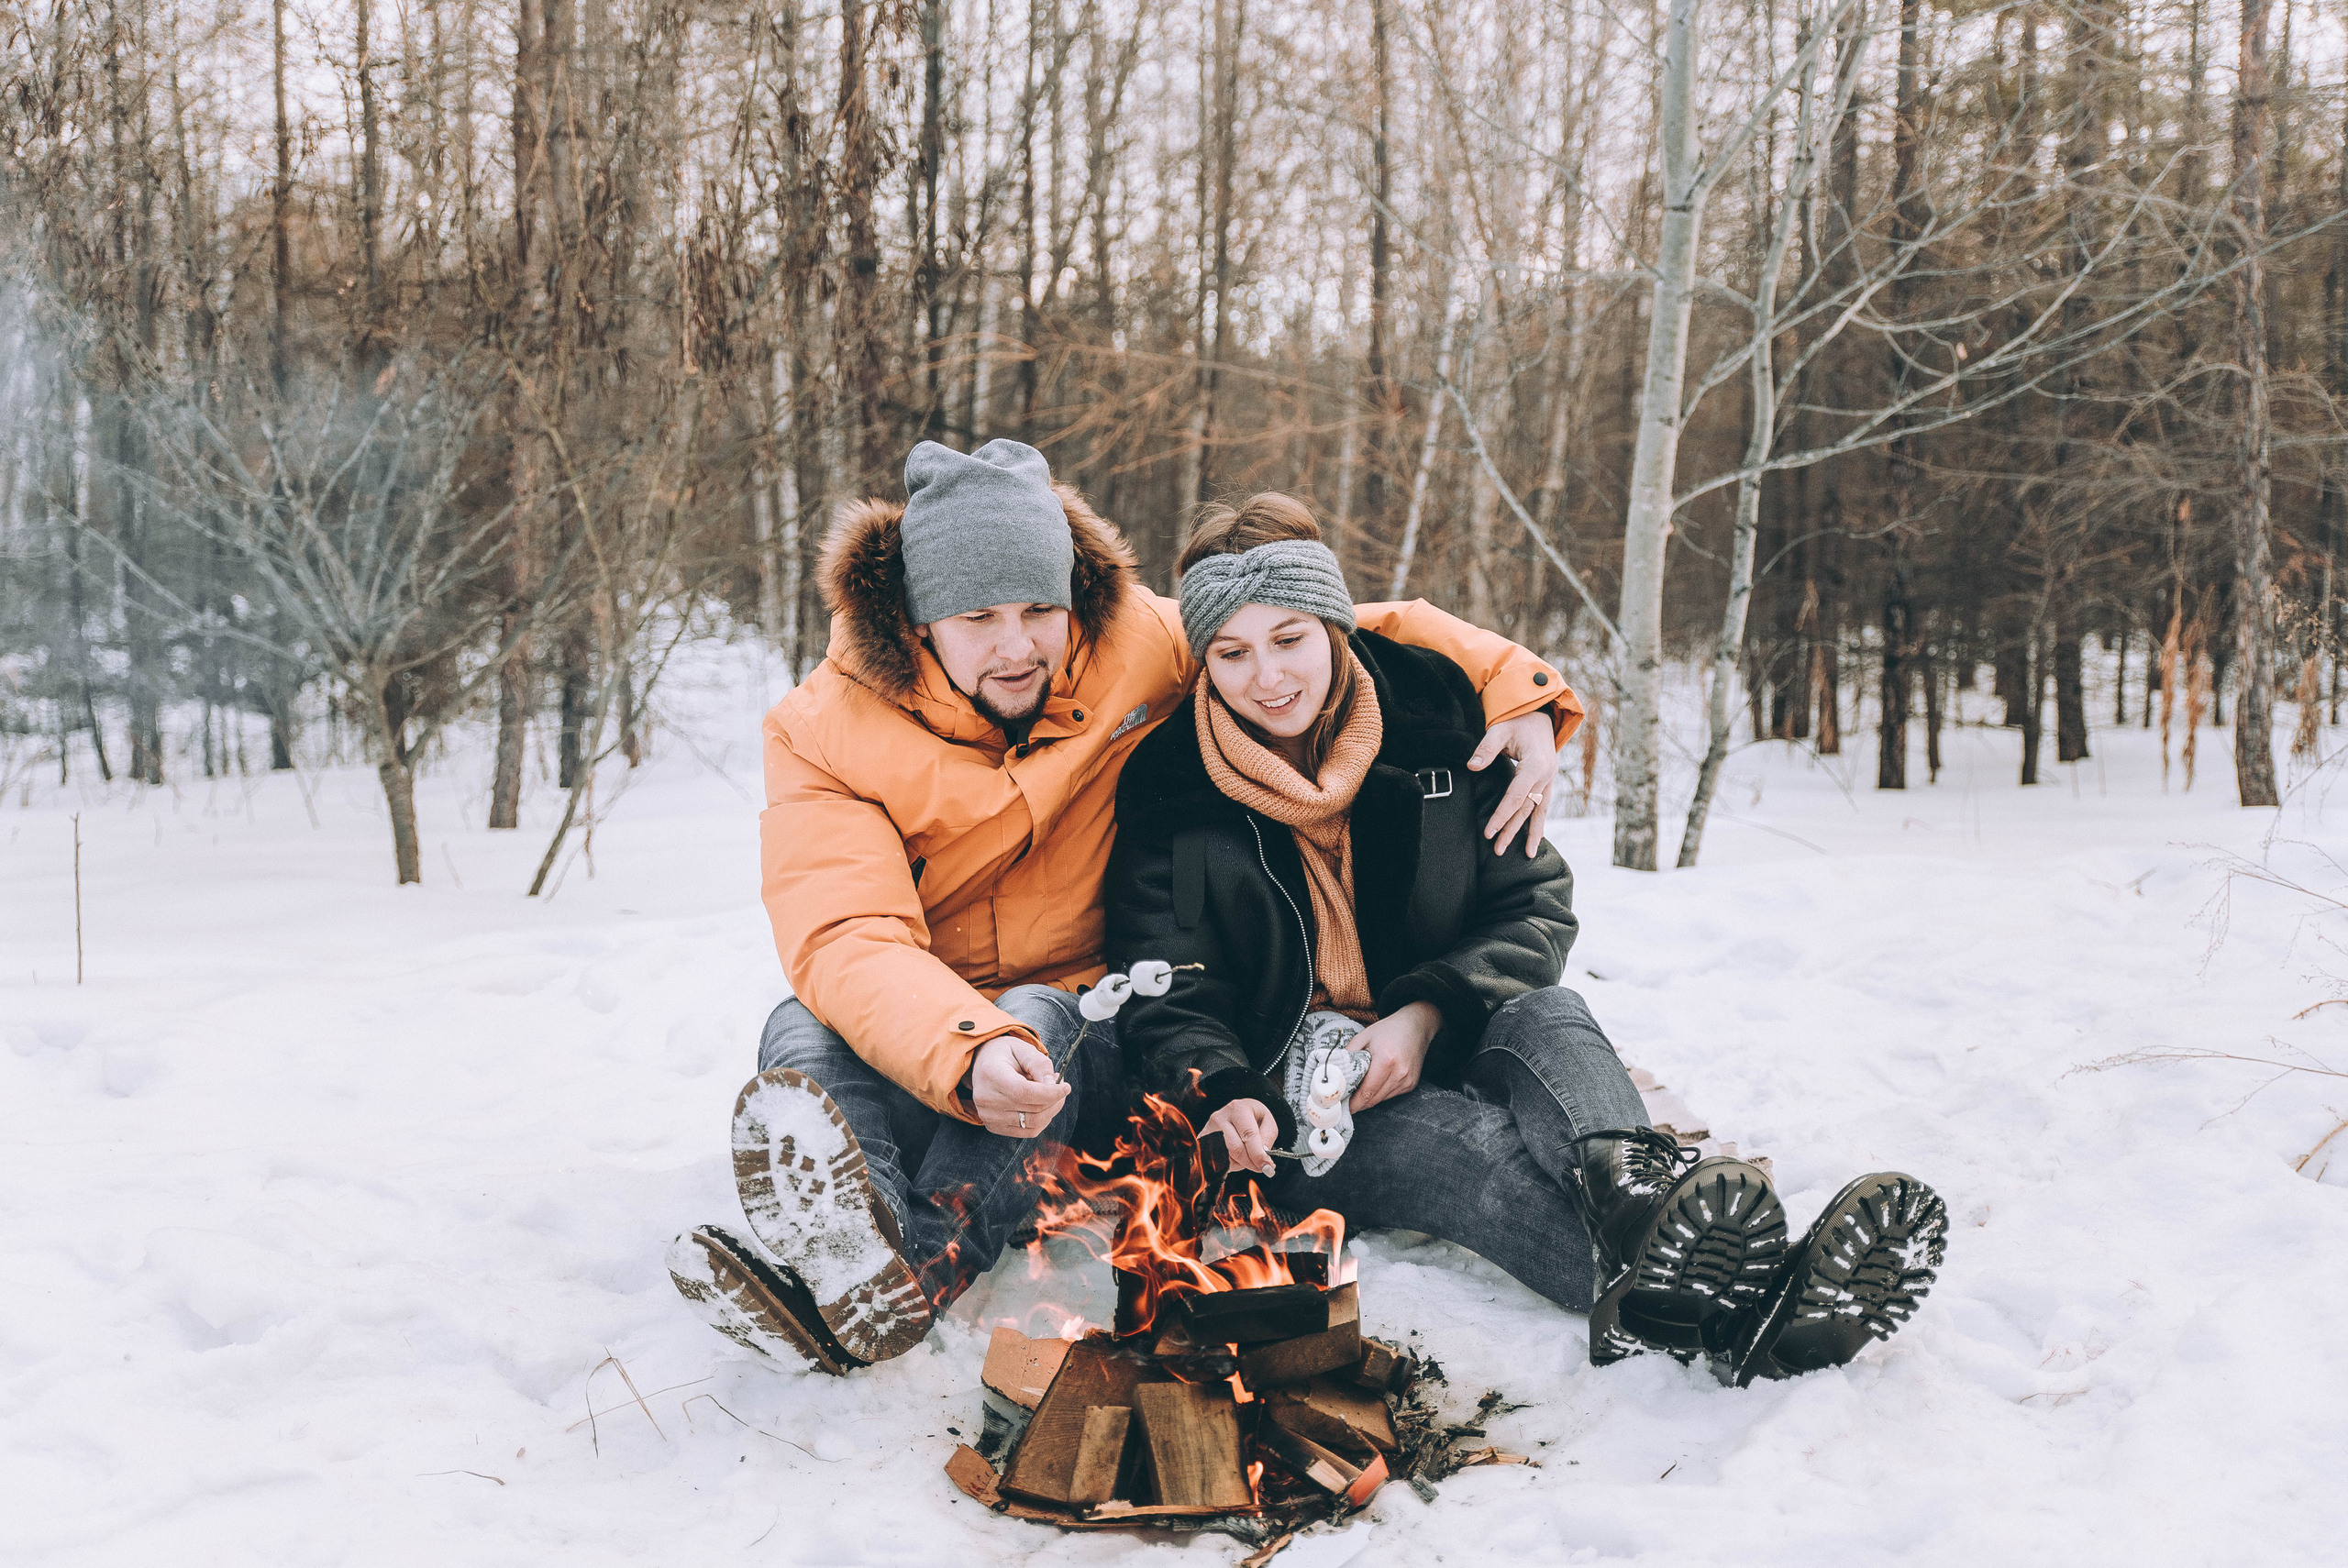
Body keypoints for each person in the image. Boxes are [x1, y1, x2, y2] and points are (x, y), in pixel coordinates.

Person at [669, 440, 1580, 1375]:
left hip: (1081, 1030)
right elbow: (845, 935)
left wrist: (1515, 686)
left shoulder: (1133, 646)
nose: (1018, 644)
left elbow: (1302, 618)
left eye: (1039, 608)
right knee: (800, 1029)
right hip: (921, 1028)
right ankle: (859, 1259)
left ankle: (922, 1261)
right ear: (916, 618)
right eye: (978, 616)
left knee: (1034, 1014)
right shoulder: (821, 730)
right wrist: (961, 1046)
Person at [1103, 494, 1949, 1384]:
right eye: (1230, 653)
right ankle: (1754, 1308)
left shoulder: (1439, 723)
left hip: (1455, 1021)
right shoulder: (1172, 785)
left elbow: (1531, 905)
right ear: (1203, 661)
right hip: (1308, 1097)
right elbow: (1165, 982)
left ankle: (1642, 1208)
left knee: (1551, 1013)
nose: (1265, 677)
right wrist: (1226, 1089)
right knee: (1479, 1155)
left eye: (1288, 641)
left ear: (1331, 628)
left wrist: (1426, 1013)